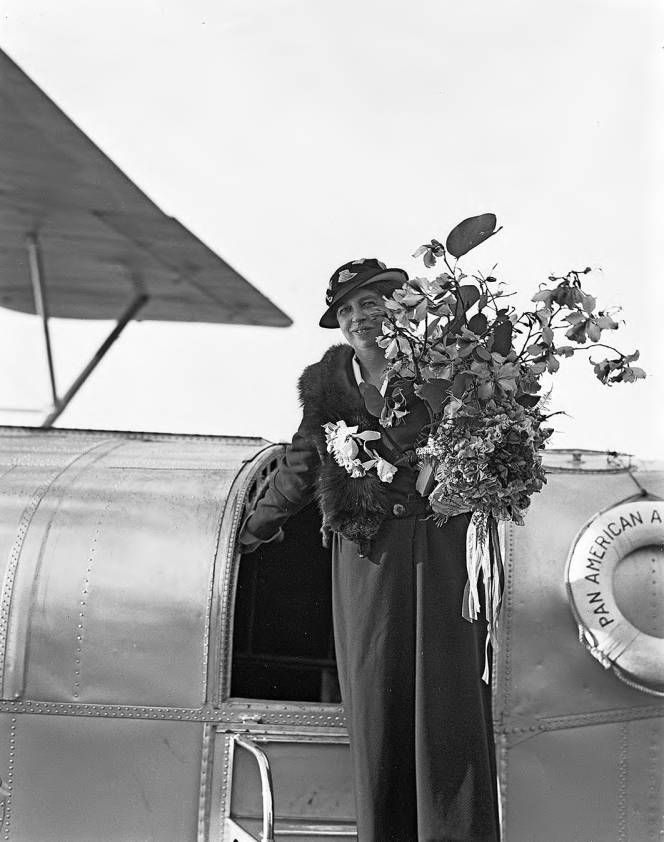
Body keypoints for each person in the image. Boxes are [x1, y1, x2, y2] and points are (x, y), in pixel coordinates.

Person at [239, 258, 499, 842]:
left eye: (372, 303)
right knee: (377, 700)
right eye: (348, 310)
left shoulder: (445, 367)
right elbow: (303, 463)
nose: (360, 318)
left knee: (448, 695)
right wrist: (256, 526)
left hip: (442, 545)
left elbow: (487, 436)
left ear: (401, 307)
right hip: (366, 553)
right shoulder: (327, 384)